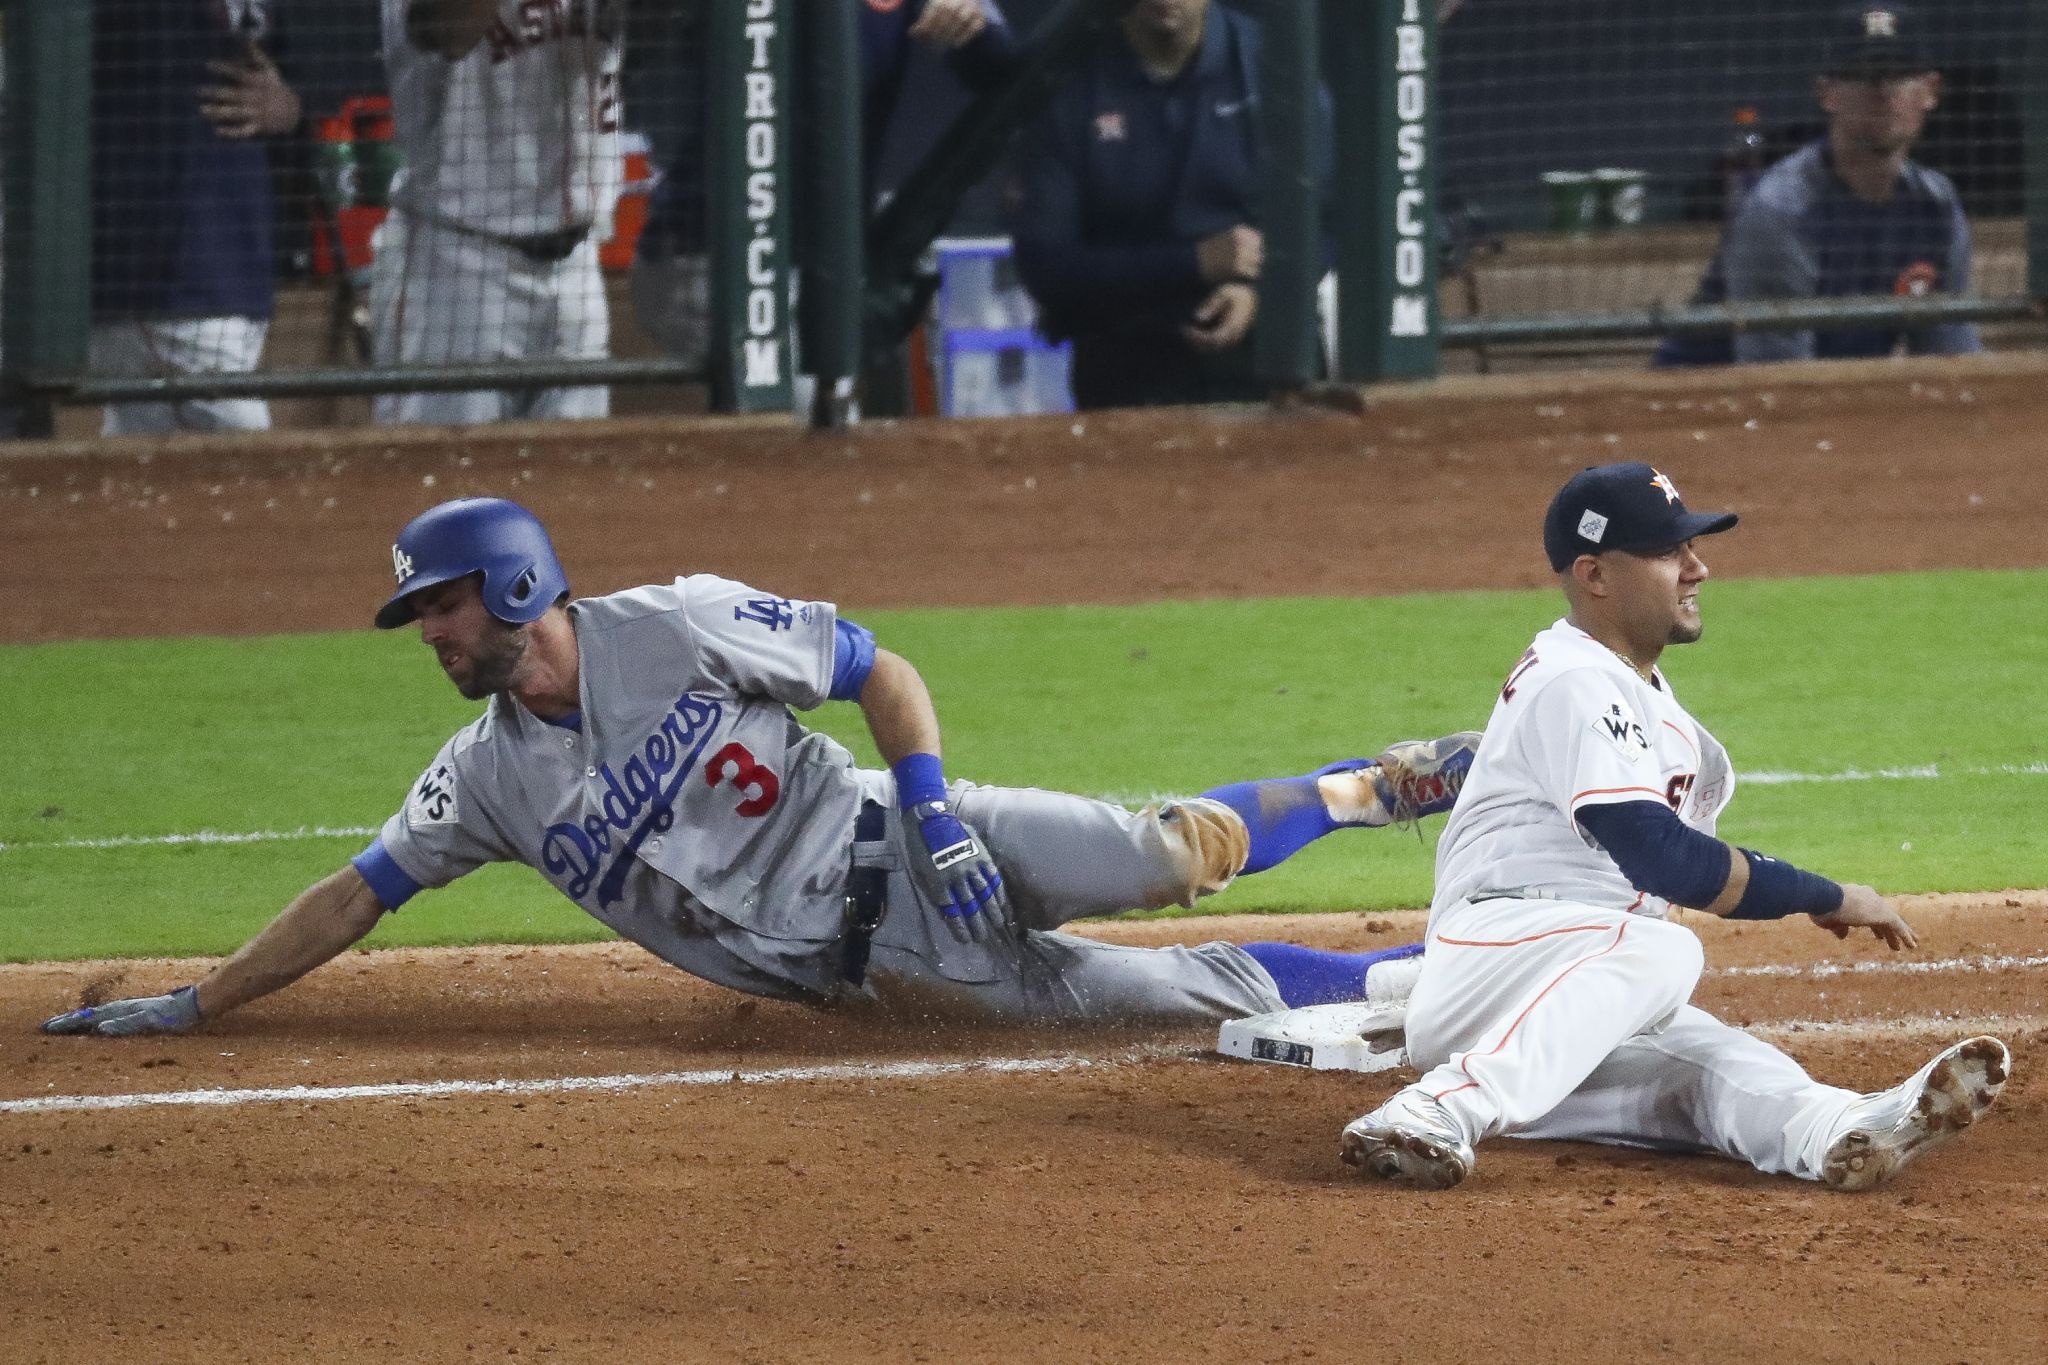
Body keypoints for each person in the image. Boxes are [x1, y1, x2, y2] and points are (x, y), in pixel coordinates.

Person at [44, 496, 1480, 1038]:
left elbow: (881, 672)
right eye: (423, 615)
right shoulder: (481, 779)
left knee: (1170, 853)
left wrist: (939, 814)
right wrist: (204, 996)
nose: (430, 632)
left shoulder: (676, 623)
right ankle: (1455, 970)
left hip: (919, 845)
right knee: (1184, 1001)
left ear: (514, 582)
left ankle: (1383, 783)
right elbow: (358, 892)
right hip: (891, 977)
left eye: (442, 604)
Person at [1340, 462, 2010, 1193]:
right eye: (1669, 552)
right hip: (1495, 957)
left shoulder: (1647, 701)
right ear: (1595, 574)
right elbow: (1665, 861)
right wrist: (1828, 892)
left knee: (1710, 1065)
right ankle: (1433, 1108)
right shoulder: (1575, 680)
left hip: (1570, 993)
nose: (1698, 567)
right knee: (1661, 951)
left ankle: (1843, 1128)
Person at [630, 0, 1023, 374]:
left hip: (814, 263)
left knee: (820, 421)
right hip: (711, 256)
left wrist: (971, 27)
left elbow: (999, 64)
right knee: (782, 423)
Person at [1008, 0, 1330, 410]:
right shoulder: (1071, 80)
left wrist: (1262, 295)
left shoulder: (1272, 60)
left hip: (1263, 361)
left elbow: (1328, 220)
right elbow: (1044, 266)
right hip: (1125, 365)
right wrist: (1193, 262)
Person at [1655, 4, 1981, 367]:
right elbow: (1777, 374)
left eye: (1900, 74)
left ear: (1930, 91)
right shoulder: (1781, 210)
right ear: (1828, 94)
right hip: (1706, 399)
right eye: (1865, 75)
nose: (1884, 91)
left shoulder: (1935, 205)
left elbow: (1951, 356)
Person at [369, 0, 623, 425]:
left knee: (577, 478)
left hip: (578, 268)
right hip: (458, 267)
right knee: (443, 477)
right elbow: (448, 29)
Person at [90, 0, 302, 436]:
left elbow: (293, 84)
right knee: (252, 463)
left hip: (237, 260)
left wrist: (289, 107)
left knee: (145, 462)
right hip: (160, 270)